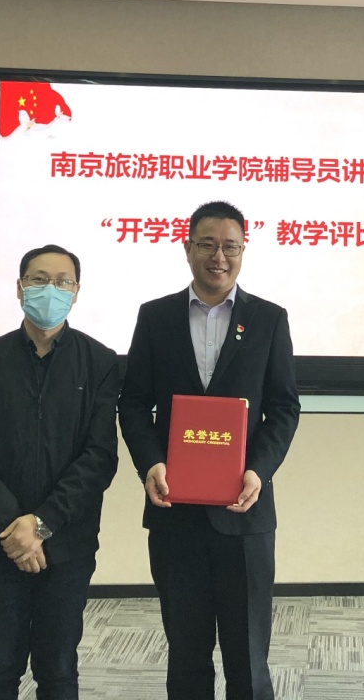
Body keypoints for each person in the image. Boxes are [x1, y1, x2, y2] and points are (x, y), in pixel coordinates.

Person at [118, 201, 301, 700]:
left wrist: (259, 470)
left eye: (230, 247)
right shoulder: (155, 317)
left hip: (244, 514)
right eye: (207, 245)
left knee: (248, 657)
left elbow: (284, 407)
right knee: (186, 654)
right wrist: (150, 463)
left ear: (243, 251)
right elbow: (133, 402)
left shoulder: (268, 319)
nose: (219, 257)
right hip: (175, 514)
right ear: (187, 249)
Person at [0, 245, 120, 700]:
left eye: (63, 282)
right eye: (39, 279)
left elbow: (99, 457)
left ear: (76, 292)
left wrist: (42, 525)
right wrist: (15, 528)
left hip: (67, 542)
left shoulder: (100, 362)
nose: (51, 290)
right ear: (20, 287)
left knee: (58, 666)